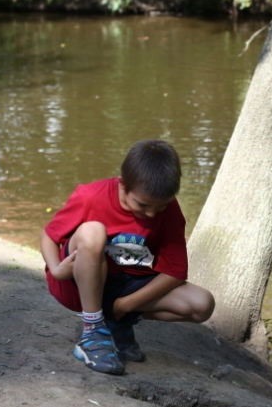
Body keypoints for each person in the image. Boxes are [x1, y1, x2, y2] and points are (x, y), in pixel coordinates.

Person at [41, 139, 215, 375]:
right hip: (78, 282)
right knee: (94, 231)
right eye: (142, 204)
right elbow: (49, 235)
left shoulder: (169, 209)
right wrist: (56, 269)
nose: (151, 213)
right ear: (123, 185)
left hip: (126, 286)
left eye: (160, 207)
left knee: (202, 304)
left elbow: (175, 273)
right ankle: (92, 333)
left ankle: (116, 322)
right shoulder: (91, 196)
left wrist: (126, 305)